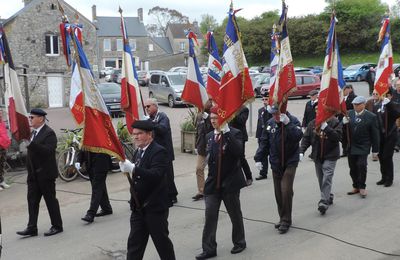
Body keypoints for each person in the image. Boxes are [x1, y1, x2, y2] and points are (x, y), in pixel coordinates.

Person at [119, 120, 176, 260]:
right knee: (134, 246)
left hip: (155, 208)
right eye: (134, 134)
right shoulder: (138, 151)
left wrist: (133, 168)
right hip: (138, 208)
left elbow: (156, 175)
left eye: (139, 134)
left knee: (162, 244)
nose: (136, 137)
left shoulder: (159, 151)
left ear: (149, 134)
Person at [196, 106, 247, 259]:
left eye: (216, 119)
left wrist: (227, 133)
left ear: (223, 119)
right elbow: (209, 155)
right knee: (210, 215)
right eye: (211, 119)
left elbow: (238, 152)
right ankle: (209, 248)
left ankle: (239, 241)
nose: (213, 121)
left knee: (234, 214)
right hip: (213, 183)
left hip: (230, 182)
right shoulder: (210, 136)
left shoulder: (235, 133)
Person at [254, 105, 303, 234]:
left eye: (276, 113)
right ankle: (282, 217)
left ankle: (286, 220)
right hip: (276, 162)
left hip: (290, 161)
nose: (274, 116)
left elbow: (298, 136)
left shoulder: (292, 120)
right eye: (272, 114)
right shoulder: (270, 123)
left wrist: (287, 124)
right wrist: (258, 158)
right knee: (278, 192)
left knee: (285, 189)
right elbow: (264, 142)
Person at [16, 109, 63, 237]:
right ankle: (32, 227)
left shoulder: (49, 133)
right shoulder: (33, 133)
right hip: (33, 175)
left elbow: (48, 151)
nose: (30, 120)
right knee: (32, 201)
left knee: (50, 200)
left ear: (41, 118)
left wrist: (31, 144)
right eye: (29, 117)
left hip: (46, 174)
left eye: (32, 117)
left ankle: (57, 225)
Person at [300, 112, 342, 215]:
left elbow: (337, 137)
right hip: (317, 155)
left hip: (330, 155)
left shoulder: (335, 122)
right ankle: (328, 195)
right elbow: (306, 138)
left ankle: (323, 201)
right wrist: (301, 151)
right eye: (317, 110)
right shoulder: (313, 123)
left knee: (327, 176)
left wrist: (326, 128)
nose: (319, 112)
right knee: (321, 178)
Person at [343, 96, 379, 198]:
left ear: (363, 104)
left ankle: (362, 187)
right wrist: (343, 123)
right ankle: (356, 186)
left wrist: (375, 150)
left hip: (364, 145)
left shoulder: (371, 116)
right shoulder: (349, 114)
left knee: (362, 166)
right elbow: (344, 132)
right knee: (352, 168)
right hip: (351, 145)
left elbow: (375, 134)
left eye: (357, 105)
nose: (355, 106)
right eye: (354, 104)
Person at [144, 98, 178, 204]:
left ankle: (172, 195)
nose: (146, 108)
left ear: (155, 106)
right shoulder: (151, 118)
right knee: (160, 176)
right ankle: (162, 195)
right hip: (156, 152)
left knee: (168, 175)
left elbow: (162, 129)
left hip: (165, 151)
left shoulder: (163, 116)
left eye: (148, 106)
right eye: (145, 107)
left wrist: (151, 123)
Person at [373, 89, 400, 187]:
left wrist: (389, 104)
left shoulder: (392, 105)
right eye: (375, 94)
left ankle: (389, 179)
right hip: (380, 135)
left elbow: (397, 114)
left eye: (378, 93)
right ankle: (383, 177)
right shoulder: (377, 106)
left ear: (389, 96)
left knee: (387, 157)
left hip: (390, 135)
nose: (377, 95)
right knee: (381, 156)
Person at [77, 151, 113, 223]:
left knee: (96, 188)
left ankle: (91, 213)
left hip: (101, 162)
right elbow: (84, 145)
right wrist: (79, 160)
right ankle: (106, 208)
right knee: (99, 186)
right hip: (90, 163)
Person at [193, 100, 213, 201]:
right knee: (199, 168)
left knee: (213, 169)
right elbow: (198, 131)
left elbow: (212, 130)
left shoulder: (214, 114)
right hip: (201, 147)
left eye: (206, 101)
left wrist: (208, 118)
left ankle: (212, 189)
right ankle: (202, 191)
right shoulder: (199, 116)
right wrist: (196, 145)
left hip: (212, 147)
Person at [229, 105, 253, 184]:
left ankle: (249, 177)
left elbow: (241, 121)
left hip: (240, 137)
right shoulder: (229, 106)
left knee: (241, 157)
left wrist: (234, 112)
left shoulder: (244, 109)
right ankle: (234, 178)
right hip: (230, 135)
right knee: (231, 158)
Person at [254, 93, 272, 180]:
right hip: (262, 136)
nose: (264, 101)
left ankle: (277, 170)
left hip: (271, 135)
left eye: (266, 99)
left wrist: (269, 111)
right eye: (263, 99)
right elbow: (259, 123)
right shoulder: (260, 110)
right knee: (263, 154)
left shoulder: (272, 110)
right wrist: (258, 135)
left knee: (273, 154)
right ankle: (263, 173)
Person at [339, 85, 357, 157]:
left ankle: (351, 149)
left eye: (346, 90)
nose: (344, 91)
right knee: (343, 136)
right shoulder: (341, 98)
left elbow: (355, 109)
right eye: (344, 90)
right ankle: (345, 151)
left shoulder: (354, 97)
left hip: (350, 119)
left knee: (350, 135)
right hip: (342, 119)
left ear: (350, 90)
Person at [365, 90, 381, 161]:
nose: (375, 95)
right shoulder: (369, 102)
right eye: (373, 94)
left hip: (380, 124)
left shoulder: (383, 103)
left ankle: (377, 153)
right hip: (370, 124)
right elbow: (365, 111)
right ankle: (374, 154)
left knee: (378, 139)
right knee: (372, 139)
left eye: (376, 94)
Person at [0, 111, 11, 190]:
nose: (0, 114)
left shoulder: (2, 123)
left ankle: (1, 181)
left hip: (3, 146)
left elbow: (4, 133)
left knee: (2, 164)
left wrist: (7, 141)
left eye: (0, 113)